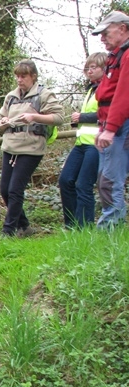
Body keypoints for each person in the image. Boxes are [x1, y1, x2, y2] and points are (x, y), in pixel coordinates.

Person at [0, 59, 65, 237]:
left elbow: (58, 117)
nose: (20, 80)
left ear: (33, 77)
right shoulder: (11, 97)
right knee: (5, 189)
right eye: (17, 76)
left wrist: (35, 117)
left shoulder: (43, 94)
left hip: (31, 149)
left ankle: (9, 230)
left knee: (15, 190)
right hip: (10, 147)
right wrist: (3, 122)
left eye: (23, 76)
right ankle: (25, 226)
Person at [59, 52, 107, 228]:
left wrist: (82, 117)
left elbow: (107, 113)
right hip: (81, 144)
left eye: (93, 67)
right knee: (66, 180)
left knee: (84, 185)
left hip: (95, 144)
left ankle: (84, 227)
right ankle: (71, 225)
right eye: (87, 67)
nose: (89, 71)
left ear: (104, 68)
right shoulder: (90, 90)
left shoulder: (107, 89)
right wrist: (77, 119)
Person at [92, 11, 129, 228]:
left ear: (122, 29)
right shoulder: (115, 56)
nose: (102, 38)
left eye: (106, 33)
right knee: (105, 180)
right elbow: (106, 96)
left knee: (110, 180)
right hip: (112, 126)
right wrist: (102, 126)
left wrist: (111, 128)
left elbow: (123, 95)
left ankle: (111, 228)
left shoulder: (126, 55)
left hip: (122, 127)